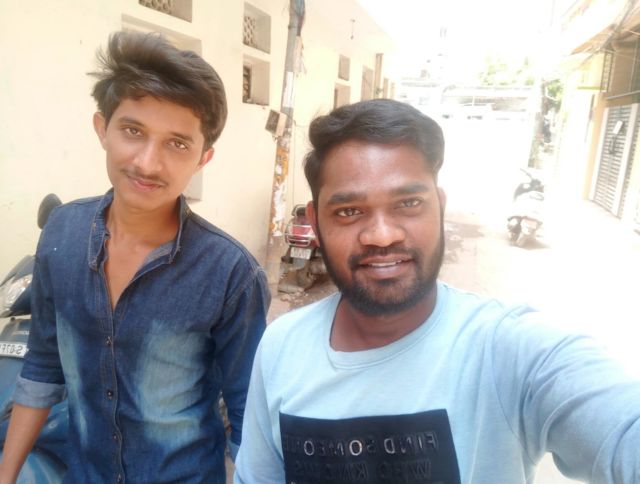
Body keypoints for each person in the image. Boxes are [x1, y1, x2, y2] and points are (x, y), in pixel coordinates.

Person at [233, 99, 640, 484]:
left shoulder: (511, 350)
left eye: (408, 203)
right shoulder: (282, 347)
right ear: (315, 222)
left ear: (439, 206)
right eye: (349, 211)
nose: (382, 235)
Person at [0, 31, 269, 483]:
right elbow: (43, 365)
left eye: (177, 143)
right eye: (133, 131)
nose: (147, 163)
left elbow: (248, 416)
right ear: (101, 128)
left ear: (203, 158)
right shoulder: (62, 233)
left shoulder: (231, 274)